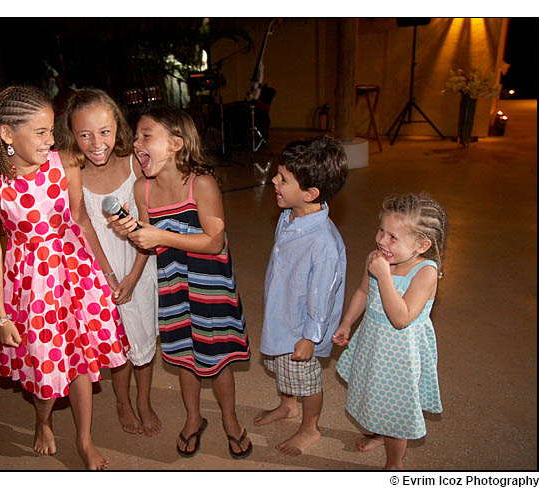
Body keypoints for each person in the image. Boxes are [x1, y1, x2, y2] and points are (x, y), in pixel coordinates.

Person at [0, 85, 129, 470]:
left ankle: (83, 438)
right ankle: (43, 420)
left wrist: (106, 273)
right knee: (46, 365)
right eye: (40, 132)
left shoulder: (66, 164)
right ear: (7, 134)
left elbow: (79, 220)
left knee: (82, 361)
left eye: (50, 131)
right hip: (31, 285)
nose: (50, 140)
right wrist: (1, 317)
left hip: (75, 274)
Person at [108, 106, 252, 459]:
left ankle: (230, 420)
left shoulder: (201, 183)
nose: (137, 143)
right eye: (136, 136)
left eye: (146, 135)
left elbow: (214, 241)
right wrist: (132, 269)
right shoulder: (142, 190)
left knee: (217, 361)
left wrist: (161, 235)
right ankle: (192, 418)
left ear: (176, 143)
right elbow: (149, 241)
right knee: (186, 359)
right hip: (173, 288)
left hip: (210, 288)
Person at [55, 88, 162, 437]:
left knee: (143, 337)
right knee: (119, 342)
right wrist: (109, 276)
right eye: (84, 134)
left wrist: (131, 277)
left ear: (118, 126)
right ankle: (123, 402)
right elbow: (82, 223)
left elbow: (151, 223)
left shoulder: (135, 163)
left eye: (104, 131)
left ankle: (143, 401)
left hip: (140, 264)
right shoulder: (72, 169)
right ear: (71, 135)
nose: (96, 142)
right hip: (97, 269)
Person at [332, 193, 447, 470]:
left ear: (422, 245)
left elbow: (401, 317)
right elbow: (362, 291)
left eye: (393, 237)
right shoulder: (377, 258)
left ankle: (394, 464)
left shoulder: (425, 273)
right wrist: (347, 322)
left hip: (400, 357)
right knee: (375, 394)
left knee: (396, 412)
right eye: (381, 231)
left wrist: (384, 275)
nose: (382, 240)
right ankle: (381, 435)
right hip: (374, 344)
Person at [254, 136, 348, 456]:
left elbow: (320, 300)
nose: (274, 182)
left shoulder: (324, 244)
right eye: (278, 175)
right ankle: (287, 405)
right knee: (281, 367)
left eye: (283, 179)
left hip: (301, 330)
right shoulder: (290, 214)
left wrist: (309, 338)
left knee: (306, 380)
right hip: (282, 312)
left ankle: (310, 428)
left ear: (310, 194)